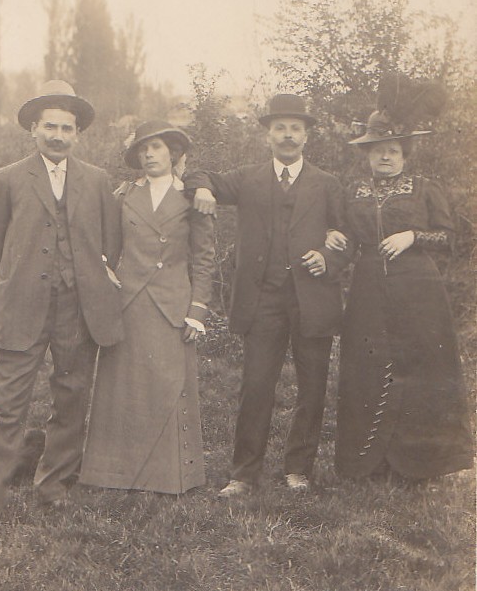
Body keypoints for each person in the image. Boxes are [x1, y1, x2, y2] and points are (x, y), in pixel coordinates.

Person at [0, 81, 124, 535]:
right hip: (22, 306)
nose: (58, 135)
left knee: (71, 396)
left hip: (78, 306)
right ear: (33, 129)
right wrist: (25, 277)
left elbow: (109, 243)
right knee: (5, 403)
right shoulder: (8, 178)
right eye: (49, 126)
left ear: (78, 134)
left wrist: (84, 279)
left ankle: (53, 484)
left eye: (67, 128)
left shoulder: (96, 180)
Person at [185, 94, 350, 496]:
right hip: (262, 301)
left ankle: (299, 469)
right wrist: (203, 188)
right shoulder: (248, 178)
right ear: (268, 135)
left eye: (296, 128)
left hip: (312, 300)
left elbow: (348, 241)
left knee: (312, 387)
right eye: (280, 128)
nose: (288, 135)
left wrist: (327, 256)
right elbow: (196, 175)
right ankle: (243, 473)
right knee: (256, 385)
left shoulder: (327, 183)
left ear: (307, 136)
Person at [327, 76, 473, 481]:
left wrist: (413, 236)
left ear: (404, 153)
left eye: (392, 151)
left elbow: (452, 238)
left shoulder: (426, 189)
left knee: (424, 363)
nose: (385, 157)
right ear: (367, 155)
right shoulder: (352, 191)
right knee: (367, 366)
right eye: (378, 152)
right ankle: (370, 462)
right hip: (369, 289)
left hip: (419, 289)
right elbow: (346, 238)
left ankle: (430, 462)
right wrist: (333, 238)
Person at [80, 120, 215, 495]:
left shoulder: (192, 197)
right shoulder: (124, 195)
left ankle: (168, 476)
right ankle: (113, 474)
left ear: (172, 153)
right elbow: (106, 247)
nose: (150, 155)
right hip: (130, 302)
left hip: (173, 306)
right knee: (123, 388)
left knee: (168, 386)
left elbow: (204, 260)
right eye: (143, 150)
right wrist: (107, 274)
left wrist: (198, 310)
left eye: (156, 148)